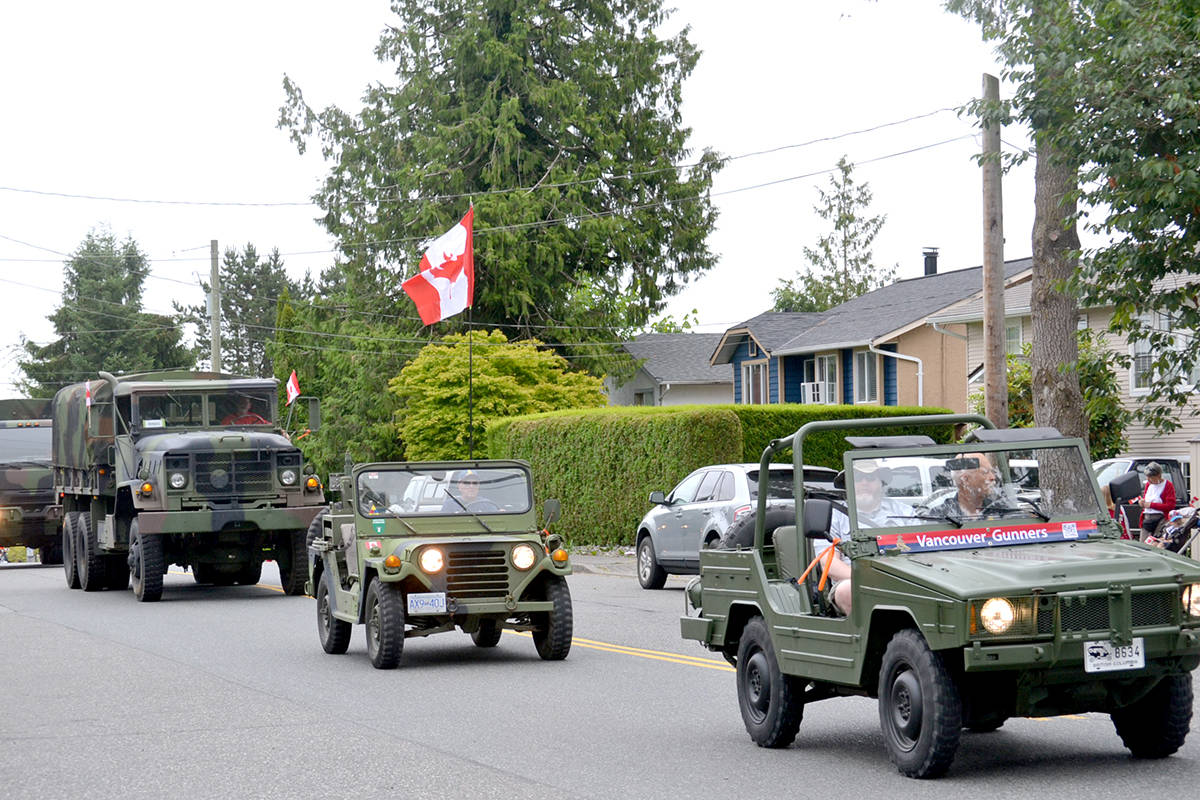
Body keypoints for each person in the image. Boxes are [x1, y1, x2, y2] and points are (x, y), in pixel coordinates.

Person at [818, 460, 919, 615]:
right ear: (848, 484)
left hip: (906, 578)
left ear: (880, 483)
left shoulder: (903, 512)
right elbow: (829, 565)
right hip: (855, 581)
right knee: (847, 590)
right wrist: (873, 580)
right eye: (858, 478)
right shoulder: (833, 516)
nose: (864, 483)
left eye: (871, 478)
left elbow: (924, 549)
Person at [926, 452, 1002, 519]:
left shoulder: (999, 510)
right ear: (965, 479)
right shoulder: (941, 515)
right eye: (985, 472)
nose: (993, 477)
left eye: (992, 472)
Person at [1138, 461, 1175, 541]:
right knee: (1143, 542)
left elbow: (1170, 505)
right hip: (1147, 518)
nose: (1148, 479)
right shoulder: (1148, 484)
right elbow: (1146, 500)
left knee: (1157, 542)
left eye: (1151, 477)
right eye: (1147, 477)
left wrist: (1151, 505)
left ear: (1158, 475)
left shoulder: (1168, 485)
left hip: (1161, 520)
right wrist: (1142, 502)